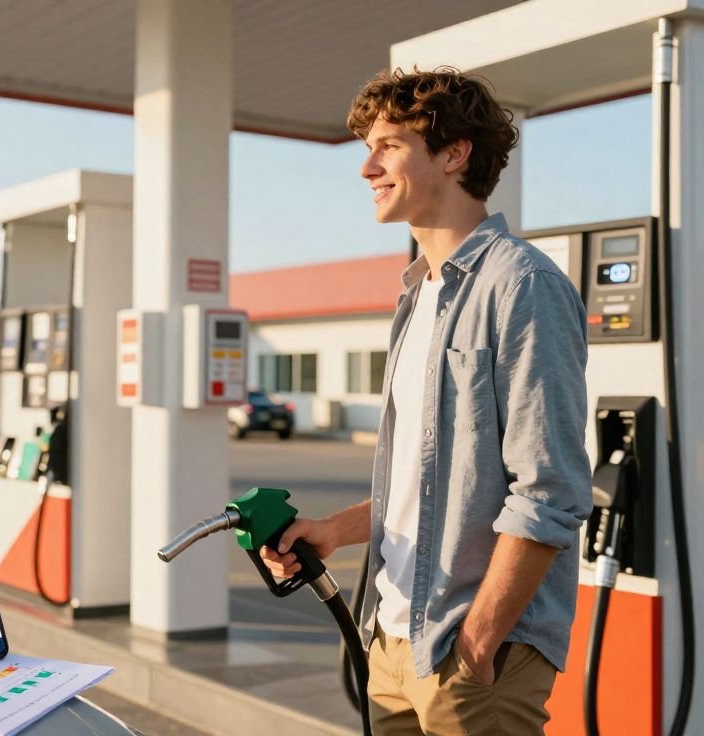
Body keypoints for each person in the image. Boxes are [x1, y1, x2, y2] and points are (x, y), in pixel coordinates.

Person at [259, 67, 591, 734]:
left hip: (471, 652)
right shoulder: (418, 294)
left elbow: (549, 492)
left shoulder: (523, 286)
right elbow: (428, 477)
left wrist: (479, 640)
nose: (367, 167)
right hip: (389, 636)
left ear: (453, 152)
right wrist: (336, 530)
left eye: (388, 145)